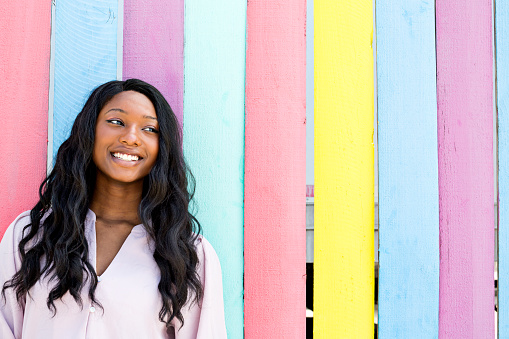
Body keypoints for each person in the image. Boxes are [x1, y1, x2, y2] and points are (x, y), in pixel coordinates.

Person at [0, 79, 227, 338]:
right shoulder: (28, 236)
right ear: (90, 132)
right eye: (116, 122)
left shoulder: (188, 254)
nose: (130, 137)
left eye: (149, 129)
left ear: (161, 148)